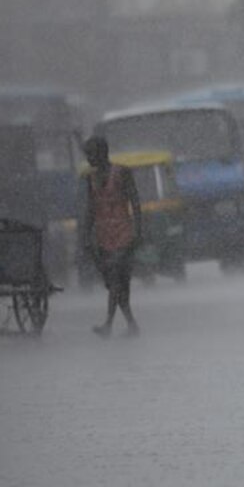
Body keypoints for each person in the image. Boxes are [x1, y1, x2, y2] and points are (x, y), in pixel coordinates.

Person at [81, 136, 142, 338]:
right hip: (104, 236)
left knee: (115, 278)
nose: (89, 159)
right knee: (116, 283)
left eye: (91, 154)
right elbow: (91, 208)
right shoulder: (89, 179)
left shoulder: (122, 172)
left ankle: (108, 324)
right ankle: (132, 324)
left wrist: (138, 230)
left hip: (124, 232)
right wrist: (85, 235)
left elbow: (135, 201)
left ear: (102, 153)